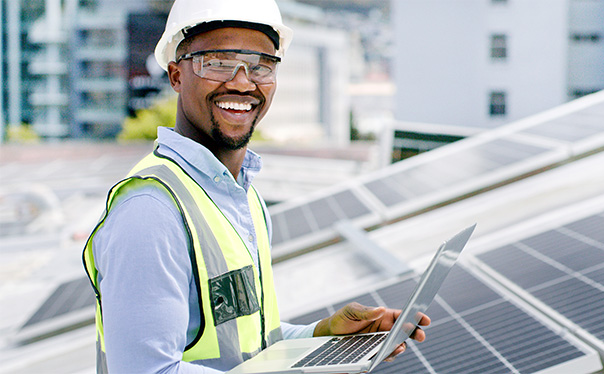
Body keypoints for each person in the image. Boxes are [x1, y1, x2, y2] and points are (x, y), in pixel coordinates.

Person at [82, 0, 430, 373]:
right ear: (176, 75)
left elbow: (250, 349)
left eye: (261, 65)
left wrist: (324, 333)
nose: (242, 82)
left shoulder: (241, 196)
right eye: (217, 62)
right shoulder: (151, 209)